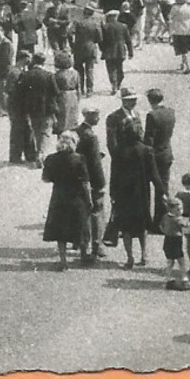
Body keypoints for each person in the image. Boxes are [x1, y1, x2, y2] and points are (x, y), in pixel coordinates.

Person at [107, 110, 158, 269]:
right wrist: (162, 192)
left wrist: (112, 193)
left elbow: (114, 175)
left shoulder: (118, 151)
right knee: (142, 225)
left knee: (126, 227)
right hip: (142, 193)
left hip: (124, 193)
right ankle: (144, 255)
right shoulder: (147, 150)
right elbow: (154, 175)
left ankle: (130, 257)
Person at [41, 132, 94, 270]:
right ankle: (83, 255)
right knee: (81, 225)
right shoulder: (79, 159)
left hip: (59, 196)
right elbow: (86, 181)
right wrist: (89, 199)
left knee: (60, 229)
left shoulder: (51, 159)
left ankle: (63, 261)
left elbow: (45, 179)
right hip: (77, 196)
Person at [74, 105, 108, 263]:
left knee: (81, 213)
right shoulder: (91, 136)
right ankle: (97, 245)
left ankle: (81, 245)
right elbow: (95, 163)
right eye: (96, 115)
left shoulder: (77, 131)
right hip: (92, 179)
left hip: (78, 178)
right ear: (89, 116)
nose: (98, 118)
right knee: (97, 213)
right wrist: (100, 182)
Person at [19, 51, 58, 165]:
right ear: (44, 62)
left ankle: (39, 152)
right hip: (47, 108)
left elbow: (21, 93)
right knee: (45, 132)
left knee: (36, 131)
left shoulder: (26, 75)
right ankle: (42, 154)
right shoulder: (49, 75)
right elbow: (55, 92)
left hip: (32, 109)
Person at [143, 88, 177, 202]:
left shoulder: (152, 115)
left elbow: (149, 139)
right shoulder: (171, 112)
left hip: (155, 156)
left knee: (145, 186)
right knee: (163, 188)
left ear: (150, 101)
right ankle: (162, 217)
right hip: (166, 153)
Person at [71, 6, 103, 95]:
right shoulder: (95, 24)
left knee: (78, 70)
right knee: (90, 69)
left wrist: (72, 45)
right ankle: (90, 89)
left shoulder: (78, 22)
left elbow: (70, 33)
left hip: (78, 48)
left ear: (84, 12)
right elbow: (100, 38)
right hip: (91, 48)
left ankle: (80, 89)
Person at [100, 9, 133, 93]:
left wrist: (102, 49)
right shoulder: (123, 26)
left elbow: (101, 41)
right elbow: (128, 40)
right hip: (120, 51)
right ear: (116, 17)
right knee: (119, 68)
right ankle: (118, 83)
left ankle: (114, 85)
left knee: (111, 69)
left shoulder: (105, 27)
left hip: (109, 51)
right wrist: (130, 52)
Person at [51, 50, 81, 136]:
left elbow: (54, 90)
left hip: (62, 97)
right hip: (73, 96)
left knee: (62, 121)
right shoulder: (75, 73)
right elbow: (78, 88)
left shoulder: (57, 75)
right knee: (73, 120)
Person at [169, 0, 190, 74]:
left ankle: (187, 66)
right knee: (186, 49)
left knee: (183, 50)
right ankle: (182, 63)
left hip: (179, 31)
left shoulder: (175, 8)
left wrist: (170, 30)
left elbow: (170, 17)